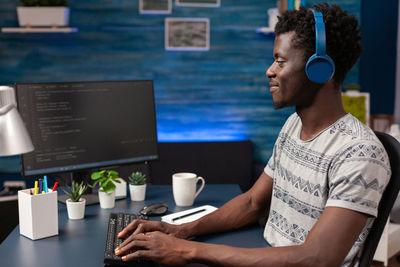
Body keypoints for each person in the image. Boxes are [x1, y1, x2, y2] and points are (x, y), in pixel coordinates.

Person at [115, 3, 391, 266]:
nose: (270, 71)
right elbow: (252, 202)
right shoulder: (293, 126)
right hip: (264, 253)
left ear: (320, 70)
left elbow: (317, 258)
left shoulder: (360, 153)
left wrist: (190, 251)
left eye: (281, 61)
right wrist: (181, 231)